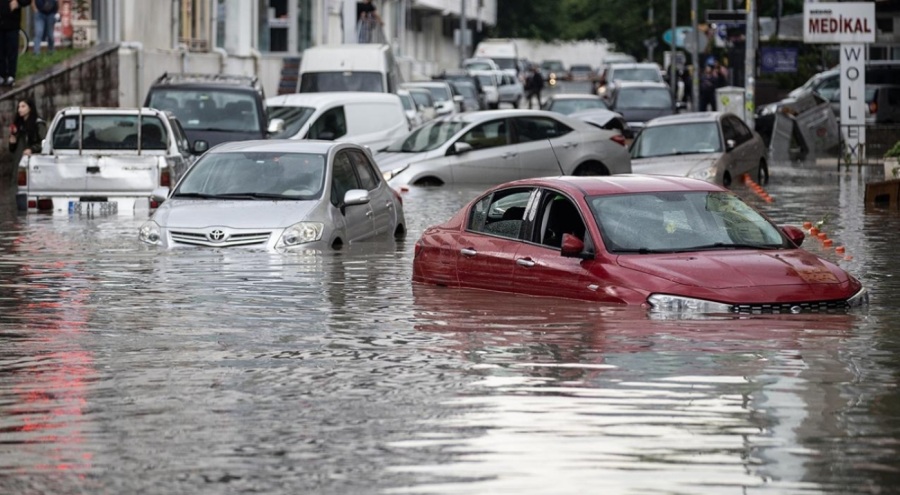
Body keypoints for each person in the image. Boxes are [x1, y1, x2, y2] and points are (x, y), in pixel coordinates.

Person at [8, 98, 46, 190]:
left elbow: (44, 143)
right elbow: (13, 149)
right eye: (19, 107)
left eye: (23, 106)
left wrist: (32, 149)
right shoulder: (18, 125)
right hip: (18, 164)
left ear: (30, 108)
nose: (20, 109)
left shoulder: (38, 124)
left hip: (33, 164)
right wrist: (12, 142)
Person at [0, 0, 31, 87]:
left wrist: (18, 2)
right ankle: (1, 75)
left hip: (12, 24)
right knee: (1, 51)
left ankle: (11, 75)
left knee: (12, 51)